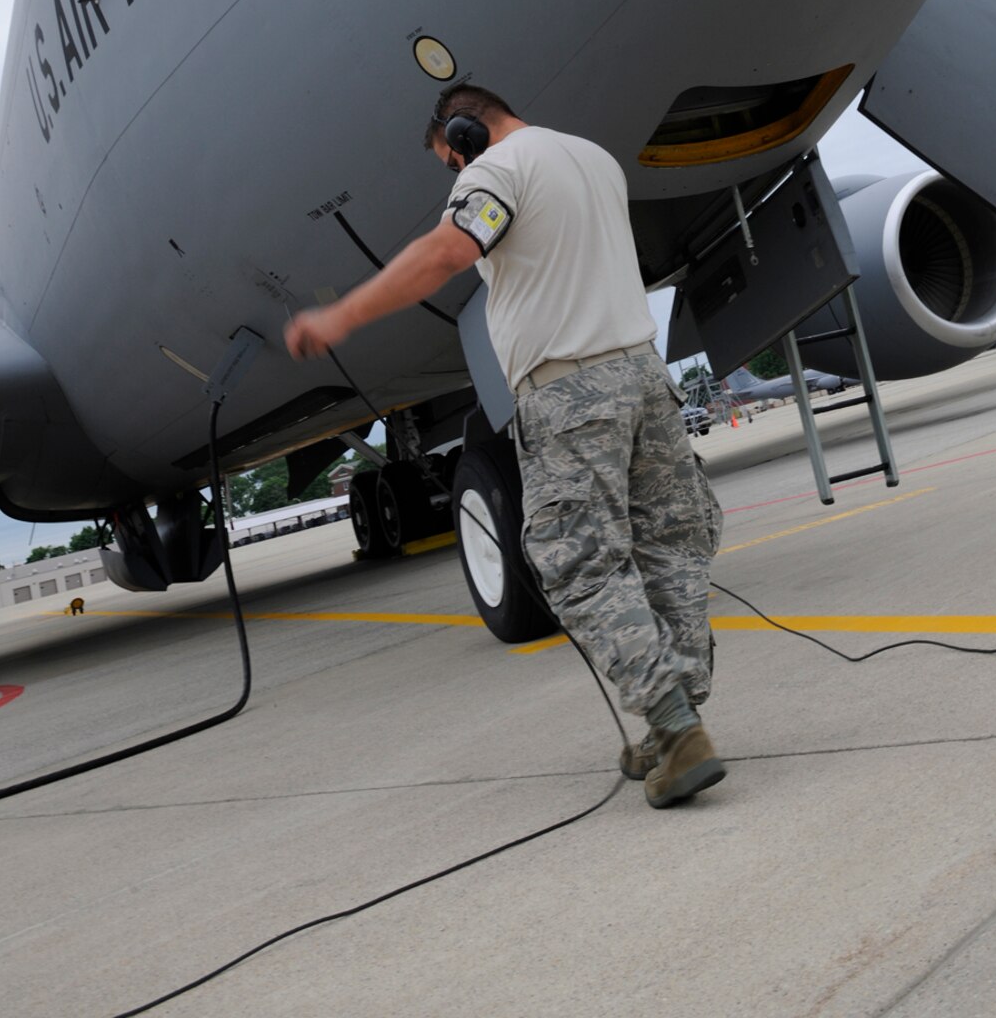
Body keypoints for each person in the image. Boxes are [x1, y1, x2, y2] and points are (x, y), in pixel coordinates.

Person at [285, 82, 725, 808]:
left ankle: (675, 728)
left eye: (447, 160)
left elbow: (444, 254)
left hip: (571, 390)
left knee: (581, 562)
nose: (453, 174)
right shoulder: (593, 159)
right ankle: (673, 715)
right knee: (670, 547)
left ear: (462, 135)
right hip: (646, 378)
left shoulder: (496, 170)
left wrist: (340, 318)